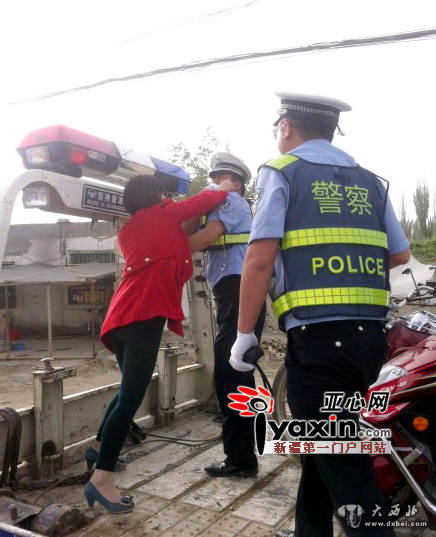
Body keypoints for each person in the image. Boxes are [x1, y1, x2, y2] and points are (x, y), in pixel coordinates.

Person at [230, 92, 411, 537]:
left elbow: (258, 259)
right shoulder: (370, 180)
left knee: (350, 479)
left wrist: (244, 335)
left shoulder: (281, 171)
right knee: (324, 448)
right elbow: (400, 253)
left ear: (287, 127)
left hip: (319, 345)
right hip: (369, 343)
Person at [84, 174, 232, 514]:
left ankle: (98, 450)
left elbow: (168, 242)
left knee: (126, 391)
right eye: (163, 193)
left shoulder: (127, 231)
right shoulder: (163, 215)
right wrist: (222, 188)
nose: (167, 197)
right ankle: (101, 478)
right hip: (143, 316)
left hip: (120, 317)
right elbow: (201, 202)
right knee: (131, 397)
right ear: (154, 196)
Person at [188, 152, 266, 477]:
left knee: (229, 375)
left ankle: (240, 459)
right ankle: (244, 454)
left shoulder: (230, 201)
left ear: (237, 185)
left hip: (238, 293)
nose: (215, 183)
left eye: (222, 178)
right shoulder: (224, 203)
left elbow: (207, 236)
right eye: (214, 177)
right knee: (238, 374)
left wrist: (165, 252)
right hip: (236, 294)